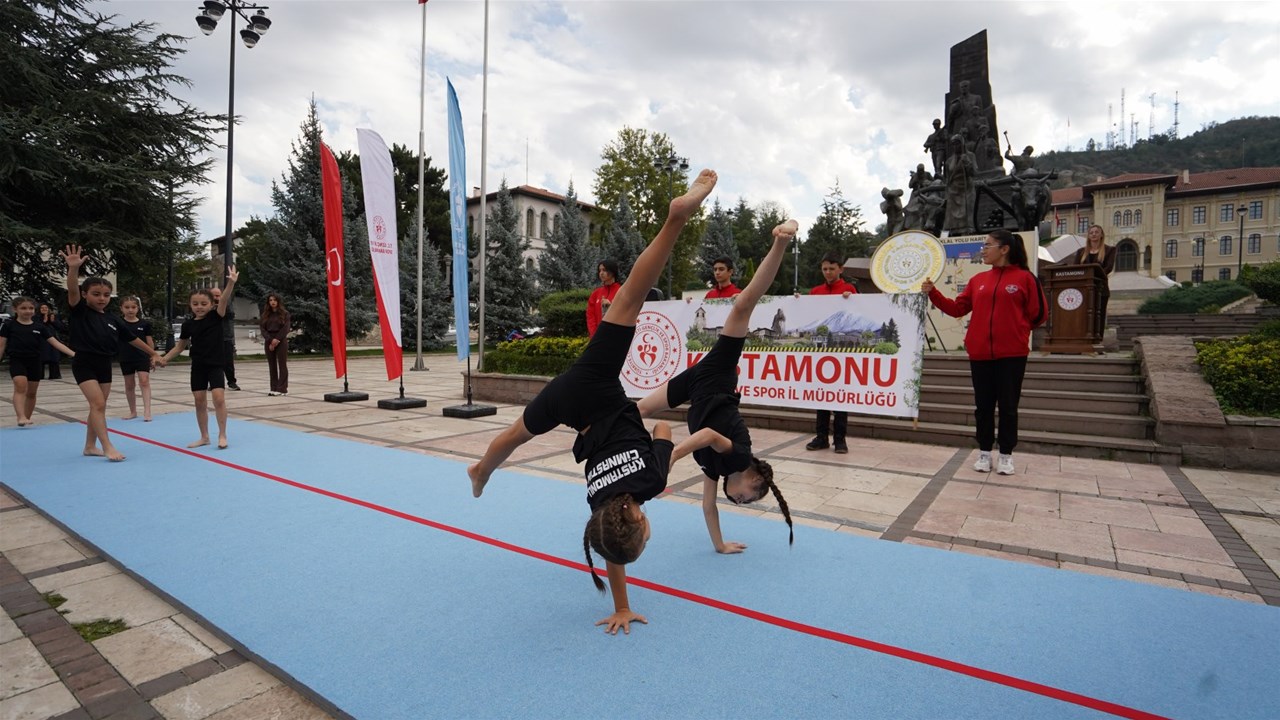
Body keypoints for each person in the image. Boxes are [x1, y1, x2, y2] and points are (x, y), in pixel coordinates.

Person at [469, 169, 718, 635]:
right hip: (571, 399)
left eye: (644, 535)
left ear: (641, 517)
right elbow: (610, 547)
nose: (645, 532)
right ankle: (482, 471)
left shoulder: (650, 482)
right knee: (515, 435)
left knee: (630, 299)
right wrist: (620, 607)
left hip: (603, 390)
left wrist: (654, 440)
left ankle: (675, 221)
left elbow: (664, 430)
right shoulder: (598, 507)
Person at [636, 221, 797, 553]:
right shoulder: (738, 456)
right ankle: (782, 241)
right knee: (741, 307)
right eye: (748, 499)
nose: (740, 501)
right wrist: (673, 456)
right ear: (753, 479)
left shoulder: (714, 469)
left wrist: (720, 544)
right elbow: (708, 435)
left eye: (740, 504)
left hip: (696, 386)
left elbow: (708, 507)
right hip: (719, 374)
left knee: (640, 409)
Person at [922, 229, 1046, 476]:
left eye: (988, 245)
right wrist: (933, 292)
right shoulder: (978, 280)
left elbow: (1039, 314)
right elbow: (957, 309)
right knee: (983, 406)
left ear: (1004, 249)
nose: (983, 250)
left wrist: (1016, 332)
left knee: (1009, 406)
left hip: (1012, 354)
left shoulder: (1025, 278)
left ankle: (1006, 455)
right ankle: (984, 453)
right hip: (980, 354)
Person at [61, 245, 165, 461]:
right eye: (96, 294)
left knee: (98, 406)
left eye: (106, 295)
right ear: (85, 294)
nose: (102, 298)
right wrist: (73, 269)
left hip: (104, 364)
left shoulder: (112, 319)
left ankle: (89, 446)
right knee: (98, 404)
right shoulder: (80, 311)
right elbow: (71, 290)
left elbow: (132, 339)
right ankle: (107, 446)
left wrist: (152, 353)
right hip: (84, 362)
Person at [161, 268, 240, 450]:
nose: (199, 306)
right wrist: (164, 359)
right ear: (190, 305)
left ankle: (222, 434)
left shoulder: (216, 316)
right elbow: (180, 347)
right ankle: (204, 436)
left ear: (212, 304)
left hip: (215, 365)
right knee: (199, 400)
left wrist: (231, 283)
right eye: (195, 303)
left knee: (218, 398)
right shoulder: (188, 325)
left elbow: (225, 298)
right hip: (198, 366)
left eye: (203, 303)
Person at [805, 251, 857, 454]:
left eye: (832, 268)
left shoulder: (849, 289)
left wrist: (851, 300)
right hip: (820, 353)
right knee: (821, 396)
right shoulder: (815, 291)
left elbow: (860, 312)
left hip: (842, 354)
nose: (827, 272)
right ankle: (821, 437)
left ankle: (840, 439)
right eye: (824, 268)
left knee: (840, 396)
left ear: (840, 269)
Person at [0, 297, 75, 427]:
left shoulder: (39, 327)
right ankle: (21, 416)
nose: (27, 311)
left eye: (30, 308)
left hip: (35, 361)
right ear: (15, 309)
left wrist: (74, 354)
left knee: (32, 392)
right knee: (20, 386)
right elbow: (1, 345)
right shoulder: (9, 326)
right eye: (23, 308)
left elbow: (55, 343)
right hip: (17, 360)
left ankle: (26, 418)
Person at [1071, 224, 1117, 337]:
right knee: (1083, 315)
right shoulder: (1081, 252)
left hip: (1100, 288)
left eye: (1096, 232)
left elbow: (1108, 268)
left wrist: (1092, 276)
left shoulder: (1109, 250)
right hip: (1083, 289)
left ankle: (1097, 340)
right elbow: (1075, 268)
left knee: (1099, 315)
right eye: (1091, 232)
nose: (1094, 234)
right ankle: (1082, 338)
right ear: (1088, 236)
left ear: (1101, 235)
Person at [117, 296, 154, 421]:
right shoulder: (119, 323)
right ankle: (133, 411)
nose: (130, 310)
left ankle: (147, 411)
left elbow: (149, 342)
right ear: (121, 308)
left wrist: (152, 356)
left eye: (133, 307)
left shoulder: (144, 324)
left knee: (144, 381)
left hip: (142, 357)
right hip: (125, 357)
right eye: (127, 307)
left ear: (138, 308)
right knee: (129, 384)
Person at [209, 284, 240, 390]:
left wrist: (221, 307)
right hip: (212, 338)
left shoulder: (226, 303)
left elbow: (231, 315)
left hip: (225, 336)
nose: (216, 298)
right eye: (214, 296)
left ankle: (231, 382)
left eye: (218, 296)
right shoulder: (206, 306)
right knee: (212, 361)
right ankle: (213, 382)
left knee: (228, 362)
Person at [259, 293, 291, 396]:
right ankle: (273, 387)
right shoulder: (265, 315)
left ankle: (282, 388)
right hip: (269, 340)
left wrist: (277, 339)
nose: (273, 302)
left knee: (282, 364)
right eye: (270, 300)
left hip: (281, 340)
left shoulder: (285, 314)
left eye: (274, 300)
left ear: (278, 301)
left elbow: (286, 328)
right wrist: (270, 340)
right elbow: (263, 329)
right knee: (272, 365)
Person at [585, 259, 621, 337]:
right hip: (598, 336)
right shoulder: (596, 293)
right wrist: (594, 334)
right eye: (600, 270)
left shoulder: (621, 291)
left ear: (612, 271)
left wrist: (611, 306)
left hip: (616, 335)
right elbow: (590, 316)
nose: (601, 273)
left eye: (604, 270)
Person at [38, 303, 67, 380]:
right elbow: (37, 327)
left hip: (53, 341)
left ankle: (55, 375)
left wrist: (53, 321)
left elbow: (61, 328)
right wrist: (44, 321)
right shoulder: (36, 318)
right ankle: (39, 375)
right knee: (41, 358)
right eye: (42, 308)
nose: (44, 309)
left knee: (54, 358)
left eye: (46, 308)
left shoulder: (53, 316)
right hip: (41, 341)